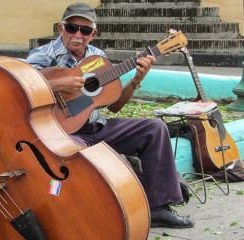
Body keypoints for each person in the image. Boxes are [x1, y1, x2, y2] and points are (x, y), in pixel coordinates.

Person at [26, 2, 194, 229]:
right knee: (73, 154)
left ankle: (158, 208)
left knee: (154, 128)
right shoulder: (43, 55)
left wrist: (136, 80)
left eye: (85, 30)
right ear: (61, 28)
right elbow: (20, 88)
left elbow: (113, 106)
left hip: (95, 129)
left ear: (93, 34)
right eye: (72, 28)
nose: (78, 35)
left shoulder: (98, 58)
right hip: (60, 133)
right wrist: (58, 84)